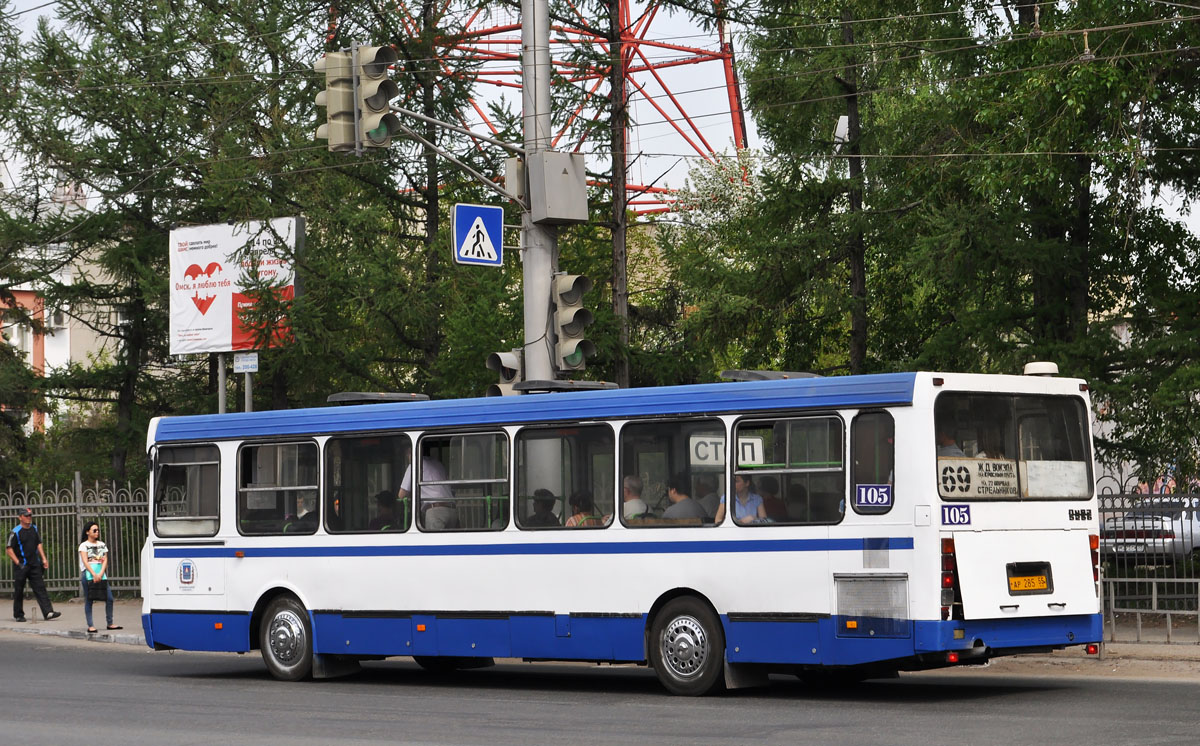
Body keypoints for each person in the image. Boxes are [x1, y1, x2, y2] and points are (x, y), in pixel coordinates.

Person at [6, 507, 61, 622]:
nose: (29, 518)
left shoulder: (34, 528)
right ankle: (18, 614)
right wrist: (18, 563)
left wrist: (44, 559)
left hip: (34, 564)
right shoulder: (15, 532)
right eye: (26, 516)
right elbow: (9, 549)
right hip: (22, 565)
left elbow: (38, 544)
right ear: (20, 517)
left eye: (30, 515)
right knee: (19, 590)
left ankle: (48, 612)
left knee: (40, 588)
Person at [78, 522, 120, 633]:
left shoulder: (102, 544)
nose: (97, 532)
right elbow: (85, 561)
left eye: (98, 530)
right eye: (94, 530)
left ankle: (110, 623)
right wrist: (94, 574)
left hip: (101, 575)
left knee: (109, 598)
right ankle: (90, 625)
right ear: (87, 532)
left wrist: (100, 573)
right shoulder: (84, 545)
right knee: (89, 599)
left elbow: (105, 559)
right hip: (88, 575)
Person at [400, 452, 458, 530]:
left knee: (435, 541)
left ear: (411, 453)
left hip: (436, 511)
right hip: (452, 510)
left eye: (407, 454)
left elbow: (402, 494)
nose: (407, 457)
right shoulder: (437, 463)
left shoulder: (415, 464)